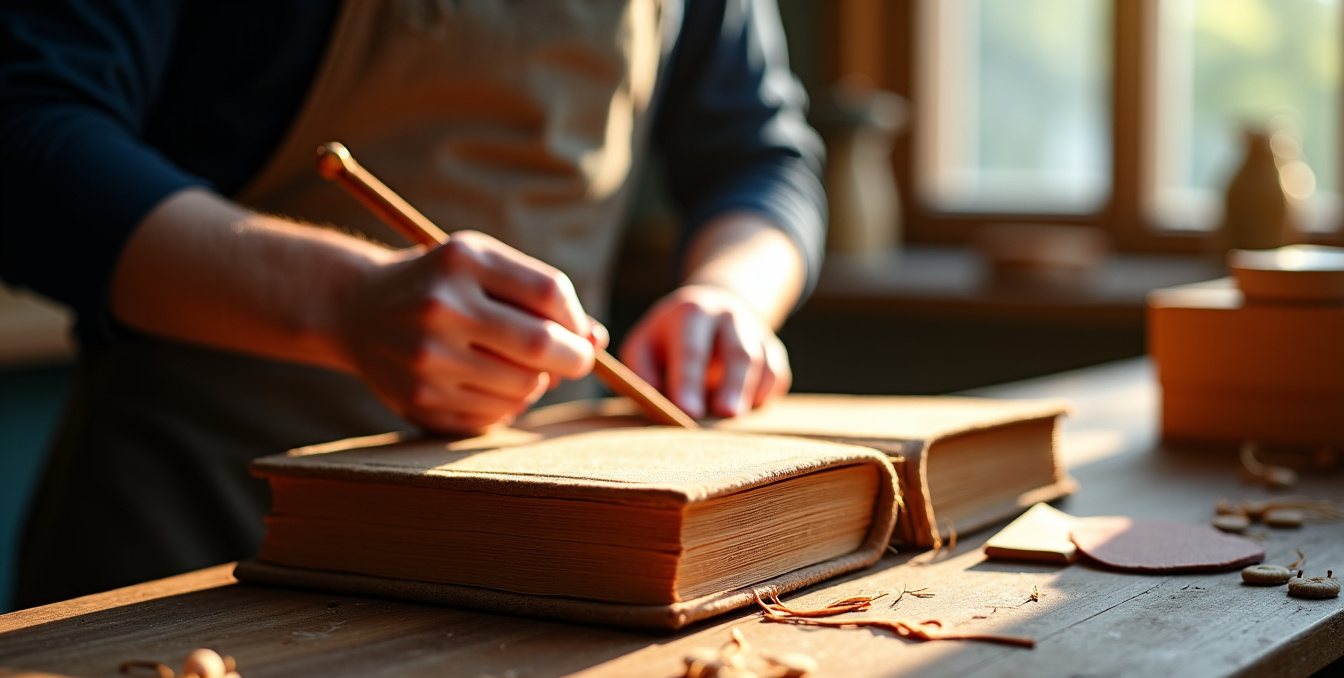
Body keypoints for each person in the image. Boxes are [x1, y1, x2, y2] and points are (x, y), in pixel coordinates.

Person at [0, 0, 826, 607]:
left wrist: (731, 294)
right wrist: (345, 302)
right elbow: (25, 130)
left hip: (557, 546)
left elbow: (764, 158)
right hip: (194, 542)